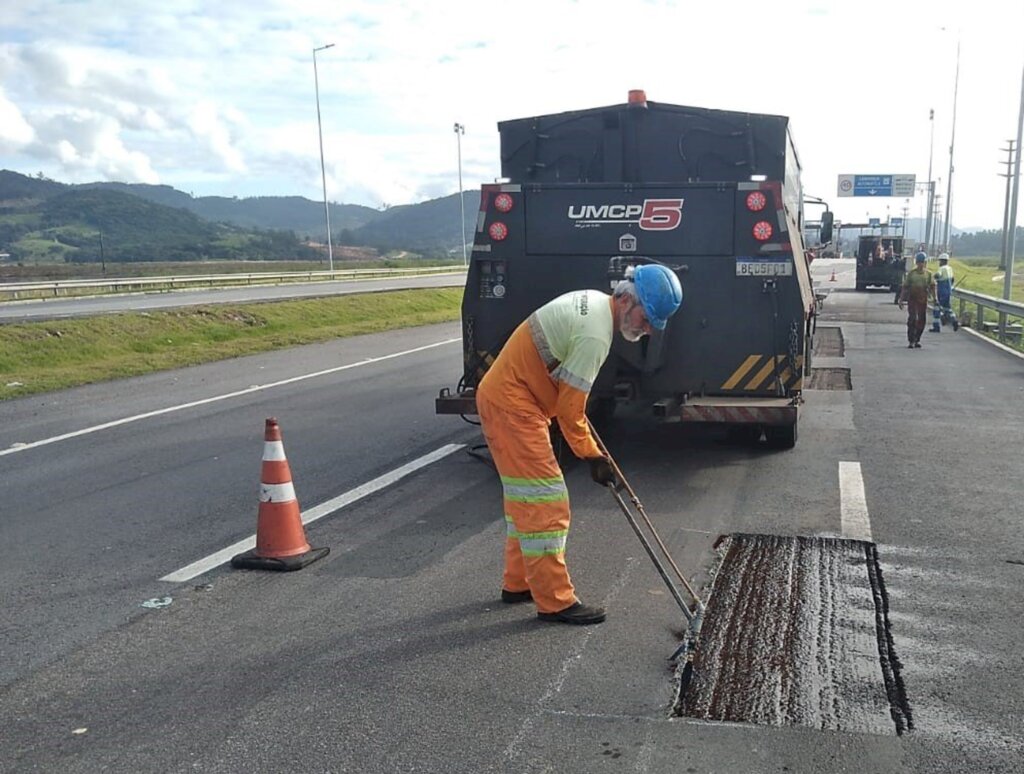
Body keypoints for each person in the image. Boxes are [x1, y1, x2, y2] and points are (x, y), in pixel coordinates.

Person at [475, 264, 683, 625]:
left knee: (525, 501)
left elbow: (570, 402)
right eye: (647, 318)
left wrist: (592, 449)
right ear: (627, 299)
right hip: (514, 406)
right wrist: (593, 457)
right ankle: (554, 601)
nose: (647, 329)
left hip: (512, 400)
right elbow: (572, 413)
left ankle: (519, 582)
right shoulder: (594, 336)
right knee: (547, 503)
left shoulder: (591, 303)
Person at [899, 252, 936, 348]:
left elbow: (932, 287)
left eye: (923, 262)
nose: (921, 264)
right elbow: (905, 287)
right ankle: (911, 340)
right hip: (913, 299)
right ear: (917, 263)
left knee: (921, 320)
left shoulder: (928, 274)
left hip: (923, 300)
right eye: (919, 262)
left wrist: (935, 298)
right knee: (913, 319)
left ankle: (917, 339)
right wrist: (901, 299)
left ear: (925, 263)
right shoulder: (912, 274)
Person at [931, 252, 959, 332]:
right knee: (948, 309)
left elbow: (937, 275)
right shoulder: (950, 269)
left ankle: (936, 327)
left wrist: (933, 277)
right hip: (949, 292)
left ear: (942, 261)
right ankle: (954, 320)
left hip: (941, 292)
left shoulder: (942, 268)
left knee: (937, 308)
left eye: (940, 261)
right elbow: (953, 279)